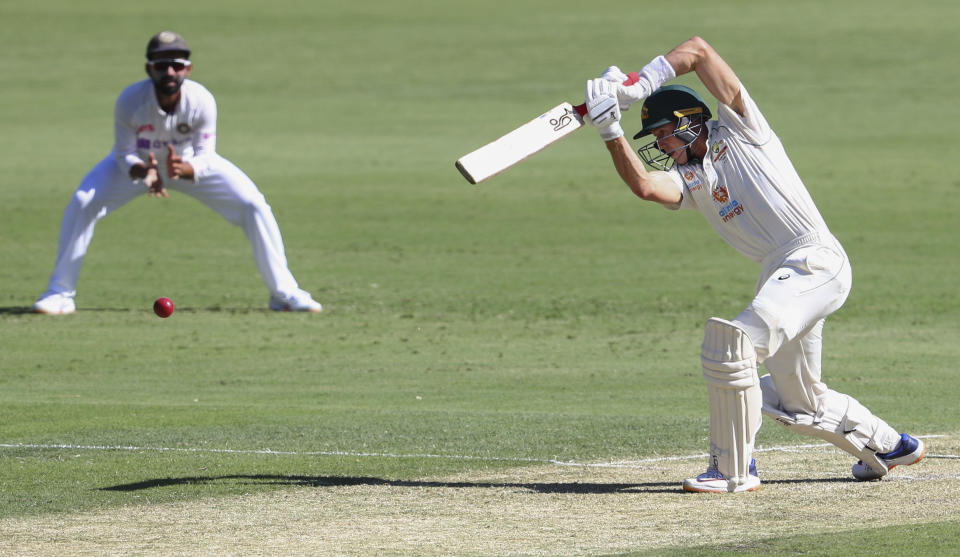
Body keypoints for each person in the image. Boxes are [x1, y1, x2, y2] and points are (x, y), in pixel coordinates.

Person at [583, 36, 924, 492]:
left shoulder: (743, 131)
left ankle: (731, 471)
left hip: (813, 259)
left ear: (690, 122)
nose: (661, 145)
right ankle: (890, 445)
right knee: (795, 399)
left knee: (734, 344)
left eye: (664, 133)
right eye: (655, 139)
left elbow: (699, 52)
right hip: (780, 272)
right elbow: (645, 186)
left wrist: (641, 84)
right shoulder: (689, 178)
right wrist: (611, 132)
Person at [32, 31, 322, 315]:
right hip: (138, 167)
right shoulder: (130, 101)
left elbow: (206, 155)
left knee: (253, 205)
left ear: (188, 69)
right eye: (161, 65)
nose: (169, 71)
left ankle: (284, 293)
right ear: (149, 69)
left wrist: (186, 169)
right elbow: (123, 153)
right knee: (84, 201)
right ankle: (59, 294)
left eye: (177, 64)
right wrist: (143, 171)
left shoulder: (202, 100)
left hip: (188, 164)